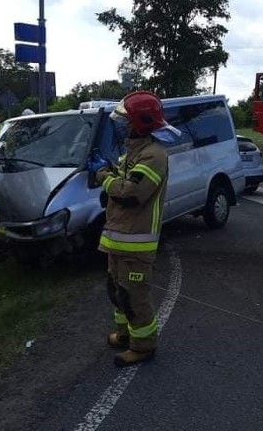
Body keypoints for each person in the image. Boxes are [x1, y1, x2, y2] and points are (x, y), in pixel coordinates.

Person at [88, 91, 173, 367]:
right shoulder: (132, 153)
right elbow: (121, 184)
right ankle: (125, 334)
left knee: (134, 295)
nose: (120, 124)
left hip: (136, 243)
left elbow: (131, 192)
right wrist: (110, 174)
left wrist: (103, 176)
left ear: (142, 122)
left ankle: (143, 345)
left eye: (126, 120)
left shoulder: (154, 155)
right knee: (117, 290)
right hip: (119, 238)